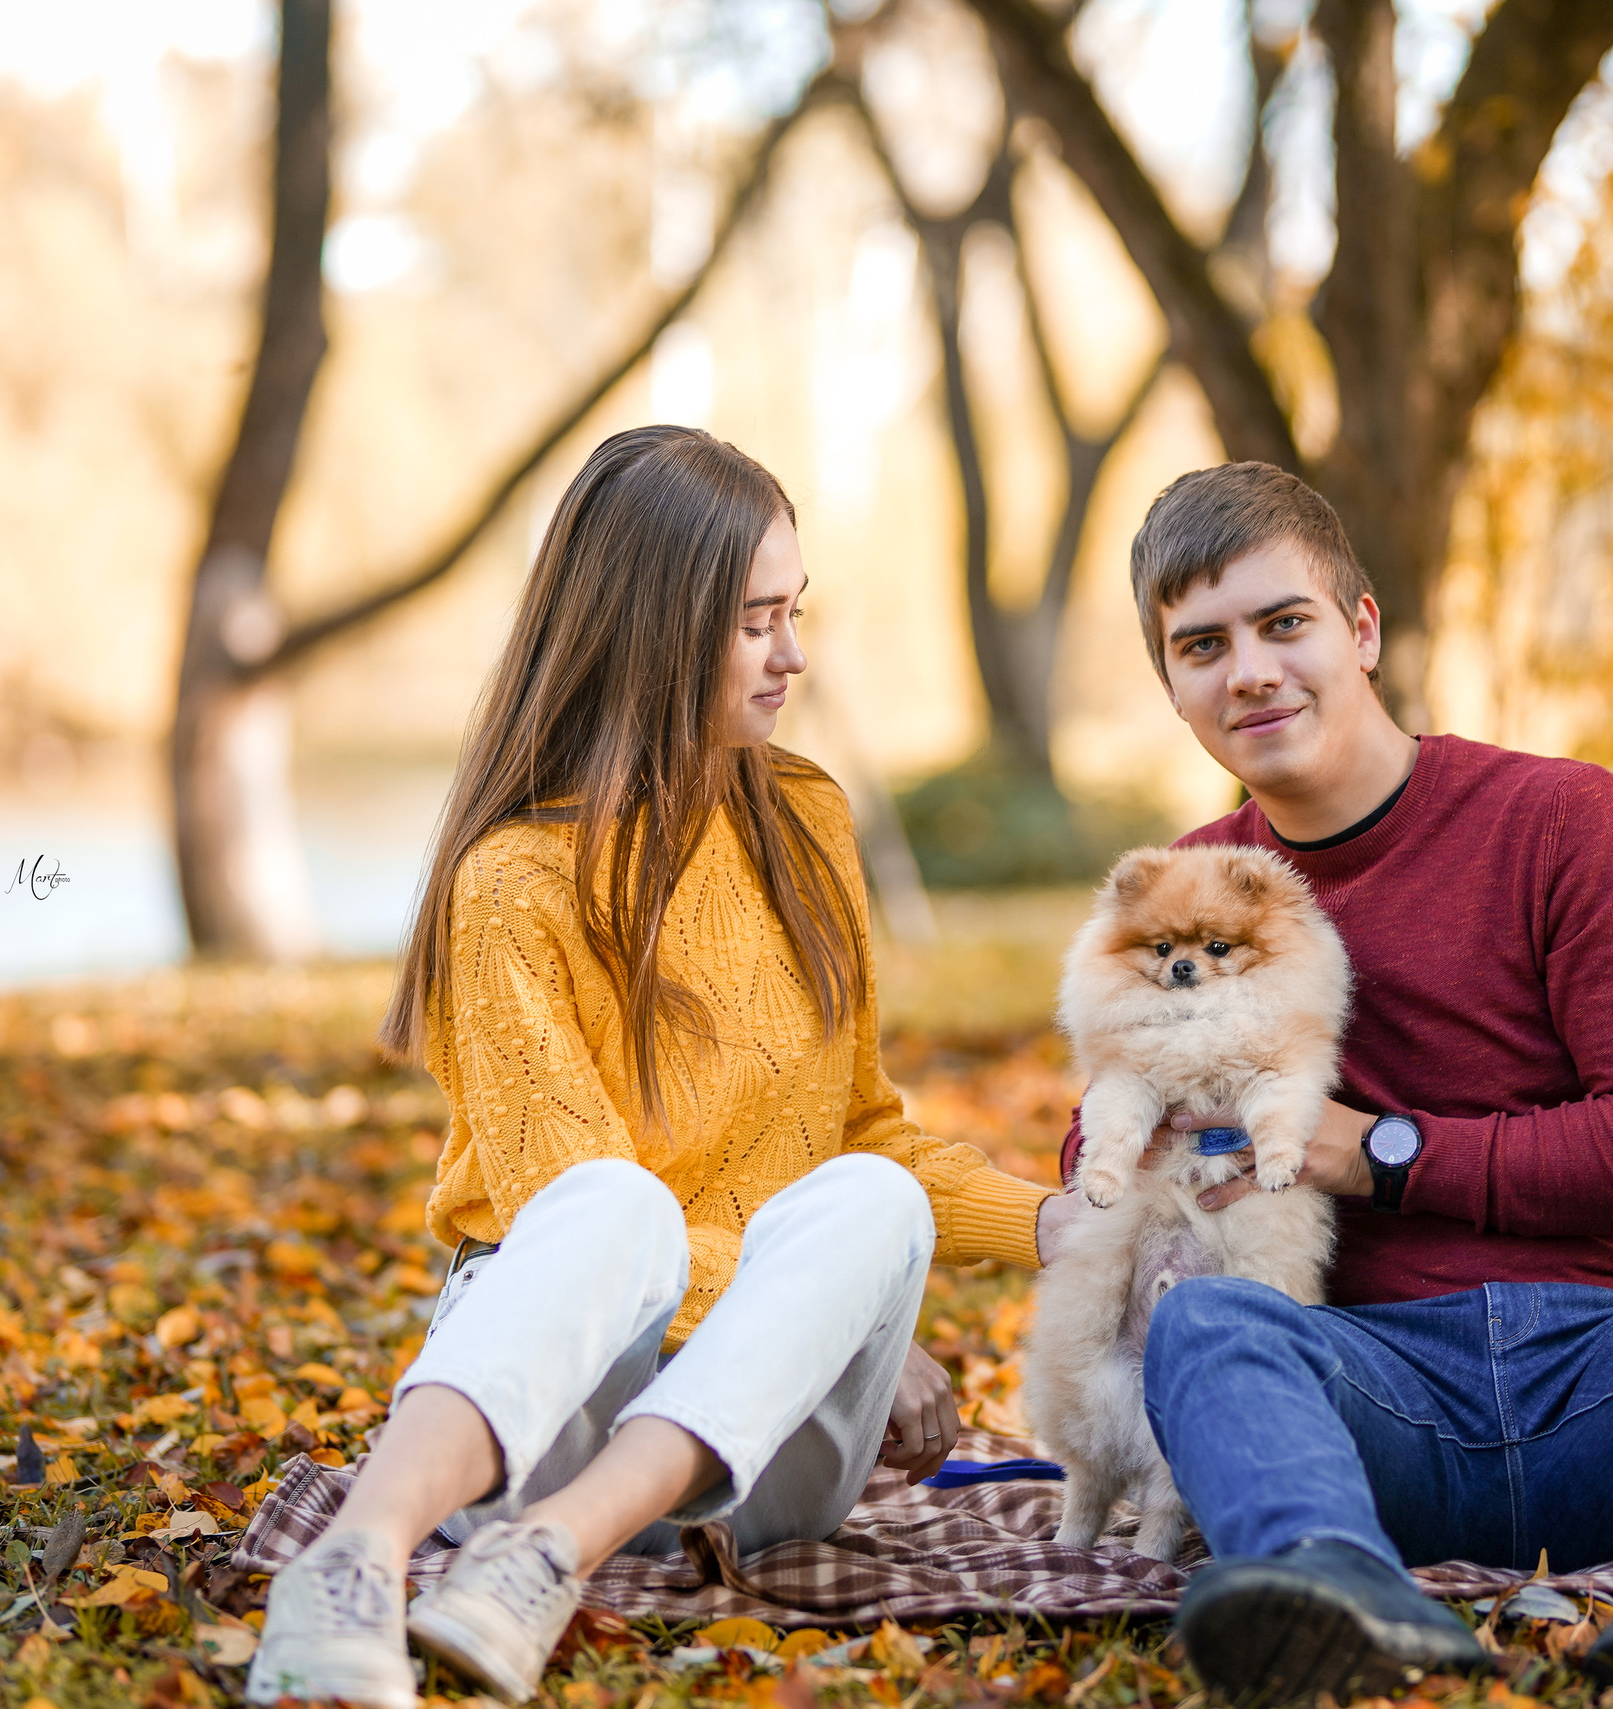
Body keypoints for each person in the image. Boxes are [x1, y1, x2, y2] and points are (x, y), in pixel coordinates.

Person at [1060, 463, 1613, 1704]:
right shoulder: (1184, 890)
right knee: (1208, 1326)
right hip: (1369, 1396)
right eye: (1201, 645)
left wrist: (1379, 1152)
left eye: (1285, 623)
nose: (1250, 671)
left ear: (1362, 627)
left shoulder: (1560, 821)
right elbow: (1106, 1148)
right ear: (1171, 684)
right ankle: (1328, 1584)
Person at [245, 427, 1075, 1708]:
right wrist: (817, 1296)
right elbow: (565, 1220)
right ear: (651, 626)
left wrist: (1058, 1225)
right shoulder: (513, 881)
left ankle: (542, 1560)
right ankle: (360, 1557)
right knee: (615, 1203)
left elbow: (865, 1136)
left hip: (757, 1451)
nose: (792, 653)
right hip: (556, 1389)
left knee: (876, 1199)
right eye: (754, 622)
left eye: (795, 612)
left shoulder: (805, 820)